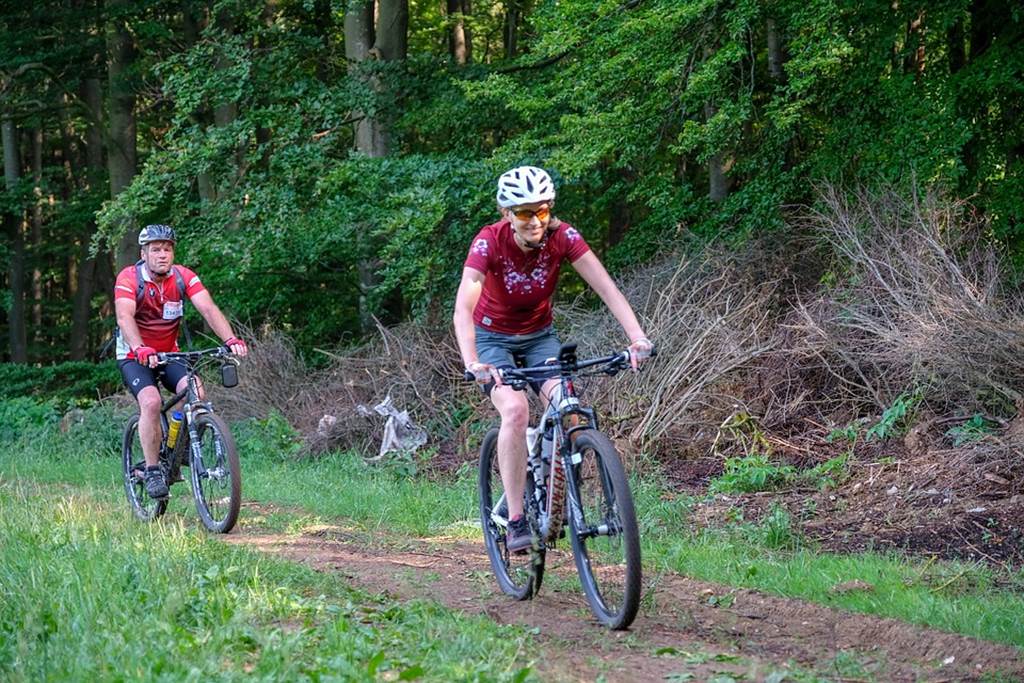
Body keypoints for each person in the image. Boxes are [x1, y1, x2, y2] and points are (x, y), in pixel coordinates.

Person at [453, 166, 653, 552]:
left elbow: (606, 288)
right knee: (515, 411)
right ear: (506, 213)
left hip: (540, 339)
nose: (534, 220)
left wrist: (637, 337)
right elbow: (464, 307)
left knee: (567, 407)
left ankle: (552, 490)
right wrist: (472, 360)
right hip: (493, 341)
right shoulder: (488, 242)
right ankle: (516, 520)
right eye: (524, 213)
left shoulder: (563, 237)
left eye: (542, 210)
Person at [114, 224, 248, 500]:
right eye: (155, 250)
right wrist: (139, 347)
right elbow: (124, 317)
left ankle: (177, 447)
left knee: (195, 391)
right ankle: (153, 470)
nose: (162, 254)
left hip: (169, 354)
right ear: (143, 253)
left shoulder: (183, 277)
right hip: (134, 355)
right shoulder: (129, 278)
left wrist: (230, 339)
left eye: (167, 249)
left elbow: (208, 308)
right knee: (151, 402)